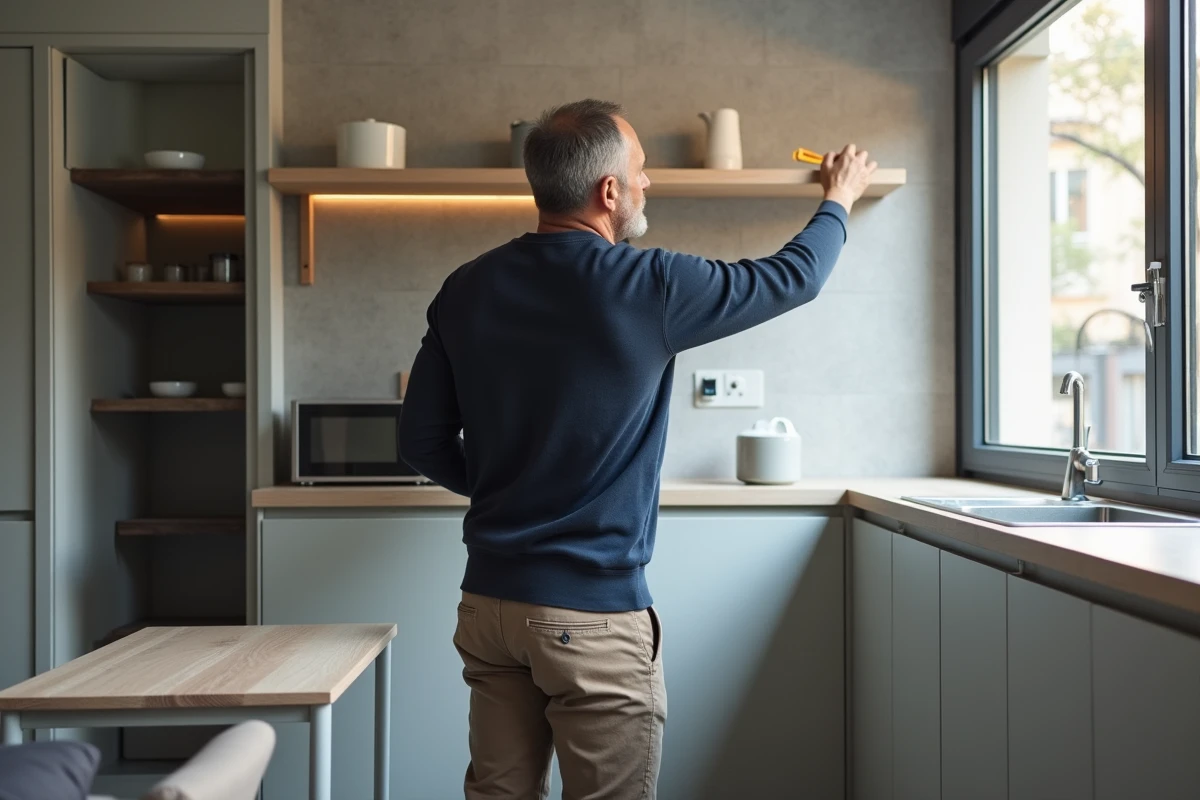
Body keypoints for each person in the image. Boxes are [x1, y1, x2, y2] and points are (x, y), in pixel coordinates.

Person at [398, 98, 876, 800]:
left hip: (489, 607)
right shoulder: (647, 285)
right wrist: (839, 199)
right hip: (591, 617)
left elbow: (418, 441)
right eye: (642, 171)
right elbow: (791, 278)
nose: (649, 184)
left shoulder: (465, 288)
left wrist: (511, 489)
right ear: (609, 190)